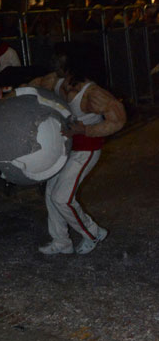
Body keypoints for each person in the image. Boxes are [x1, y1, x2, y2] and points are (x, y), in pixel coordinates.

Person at [30, 45, 125, 255]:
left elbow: (118, 119)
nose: (54, 64)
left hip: (85, 150)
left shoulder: (92, 94)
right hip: (65, 148)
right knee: (51, 194)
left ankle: (93, 233)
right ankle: (61, 242)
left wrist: (87, 130)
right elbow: (32, 85)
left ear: (72, 66)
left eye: (60, 62)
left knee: (62, 198)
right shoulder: (55, 80)